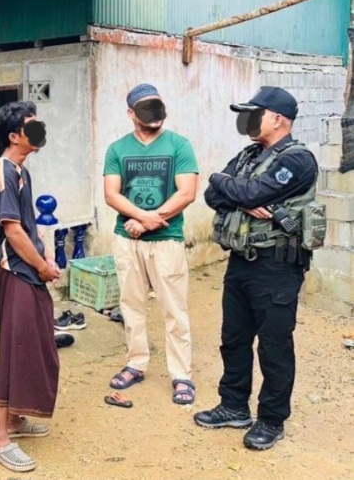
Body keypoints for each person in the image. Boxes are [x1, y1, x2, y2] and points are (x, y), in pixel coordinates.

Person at [196, 87, 321, 450]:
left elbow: (248, 193)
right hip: (240, 263)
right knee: (233, 339)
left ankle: (271, 419)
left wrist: (227, 184)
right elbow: (212, 195)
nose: (247, 120)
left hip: (277, 267)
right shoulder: (249, 155)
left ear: (278, 119)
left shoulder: (297, 160)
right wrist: (233, 191)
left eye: (254, 114)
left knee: (274, 346)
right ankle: (233, 406)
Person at [103, 83, 199, 405]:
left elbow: (187, 192)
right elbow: (111, 194)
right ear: (131, 113)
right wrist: (143, 218)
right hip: (127, 240)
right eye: (146, 107)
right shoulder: (117, 149)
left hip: (166, 240)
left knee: (175, 309)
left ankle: (181, 374)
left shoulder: (179, 145)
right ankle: (136, 363)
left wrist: (146, 221)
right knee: (131, 305)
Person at [0, 101, 61, 473]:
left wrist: (45, 257)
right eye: (33, 126)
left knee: (32, 345)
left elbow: (28, 227)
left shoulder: (20, 171)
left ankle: (15, 419)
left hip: (28, 271)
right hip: (16, 274)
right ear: (15, 136)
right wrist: (42, 266)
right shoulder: (3, 171)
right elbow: (13, 231)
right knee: (14, 351)